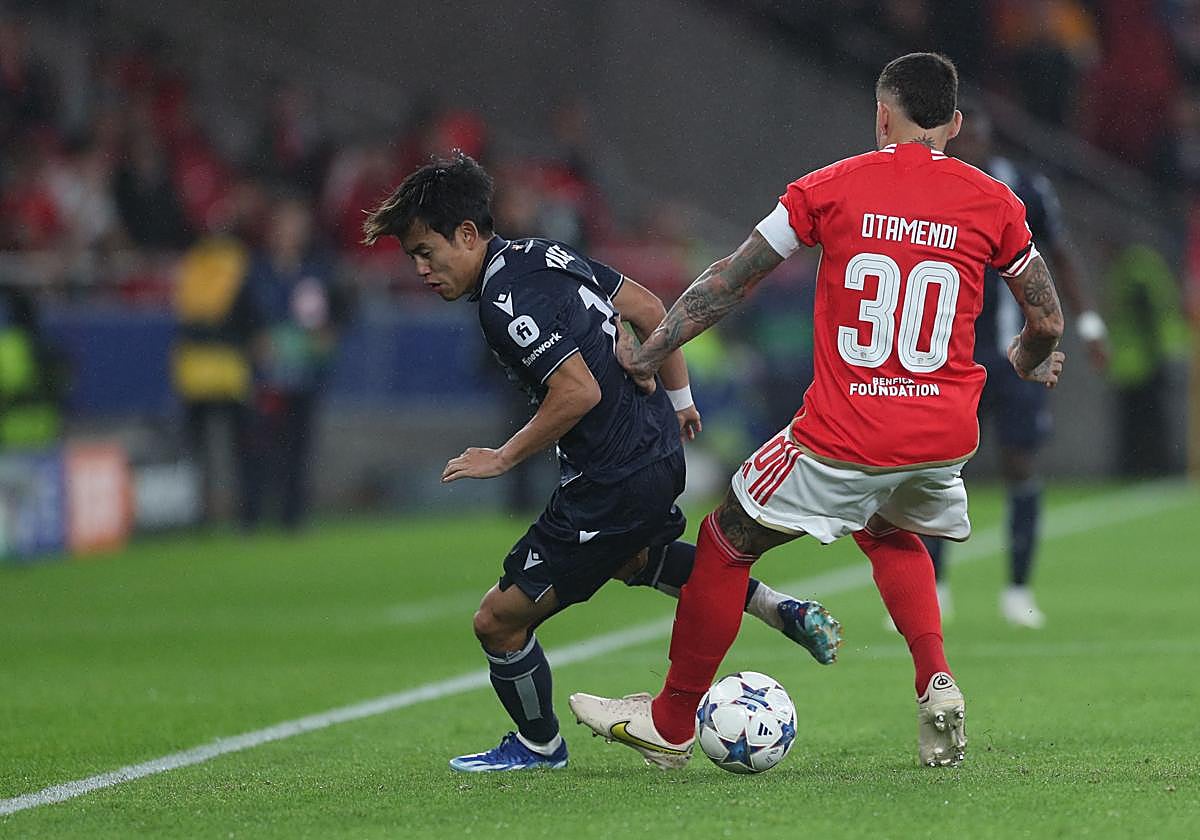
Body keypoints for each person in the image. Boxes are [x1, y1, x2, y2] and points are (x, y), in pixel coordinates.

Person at [569, 53, 1066, 769]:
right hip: (942, 436)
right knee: (888, 526)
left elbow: (730, 279)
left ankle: (673, 721)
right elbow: (1045, 319)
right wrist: (1023, 358)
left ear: (880, 115)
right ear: (954, 124)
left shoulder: (827, 188)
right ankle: (936, 682)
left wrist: (648, 356)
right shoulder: (995, 202)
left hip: (846, 431)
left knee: (726, 538)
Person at [361, 152, 842, 773]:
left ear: (469, 234)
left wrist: (503, 457)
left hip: (609, 477)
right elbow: (647, 306)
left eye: (427, 251)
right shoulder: (541, 252)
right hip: (656, 451)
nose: (422, 269)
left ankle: (538, 745)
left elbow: (578, 390)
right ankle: (778, 607)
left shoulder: (501, 300)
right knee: (634, 560)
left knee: (497, 622)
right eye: (412, 259)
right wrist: (680, 397)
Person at [914, 99, 1109, 629]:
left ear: (985, 136)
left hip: (1014, 357)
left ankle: (1019, 590)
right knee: (936, 467)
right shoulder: (926, 189)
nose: (969, 147)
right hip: (945, 359)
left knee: (1020, 464)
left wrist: (1088, 322)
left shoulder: (1021, 186)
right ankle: (933, 587)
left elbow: (1060, 252)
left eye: (976, 136)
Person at [241, 194, 345, 531]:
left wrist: (330, 332)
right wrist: (253, 340)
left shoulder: (317, 269)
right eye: (286, 224)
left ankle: (293, 517)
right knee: (260, 447)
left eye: (297, 225)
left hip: (305, 373)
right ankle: (252, 517)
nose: (292, 232)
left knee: (299, 446)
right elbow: (237, 317)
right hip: (266, 376)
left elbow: (341, 311)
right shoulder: (256, 270)